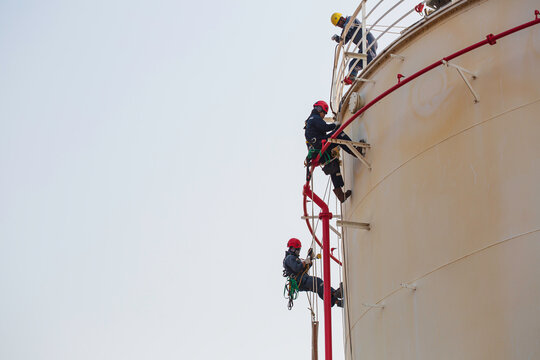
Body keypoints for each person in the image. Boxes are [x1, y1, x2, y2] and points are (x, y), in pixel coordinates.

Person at [304, 100, 362, 203]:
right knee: (339, 134)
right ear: (319, 109)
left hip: (318, 150)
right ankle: (355, 151)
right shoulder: (314, 118)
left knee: (333, 164)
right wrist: (335, 124)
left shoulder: (310, 121)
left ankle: (340, 195)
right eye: (324, 113)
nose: (324, 115)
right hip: (320, 145)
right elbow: (325, 128)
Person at [283, 238, 343, 307]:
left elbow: (303, 269)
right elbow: (297, 268)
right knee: (318, 282)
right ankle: (335, 293)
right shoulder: (289, 258)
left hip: (302, 281)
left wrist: (310, 259)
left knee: (319, 288)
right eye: (297, 250)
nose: (298, 252)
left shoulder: (295, 258)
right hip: (301, 281)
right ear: (292, 249)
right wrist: (305, 262)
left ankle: (337, 301)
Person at [331, 12, 378, 84]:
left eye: (339, 23)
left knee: (370, 54)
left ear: (342, 18)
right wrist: (337, 38)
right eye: (338, 25)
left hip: (368, 40)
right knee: (353, 64)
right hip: (362, 48)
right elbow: (344, 41)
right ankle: (351, 77)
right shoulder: (346, 31)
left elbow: (349, 26)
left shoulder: (351, 19)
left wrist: (342, 35)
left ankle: (377, 65)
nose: (339, 26)